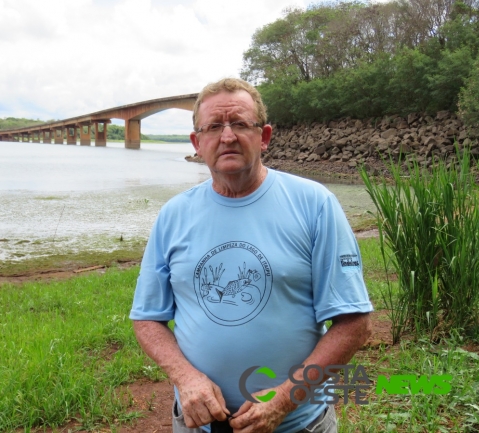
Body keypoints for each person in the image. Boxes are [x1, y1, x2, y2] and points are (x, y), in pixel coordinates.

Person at [129, 78, 373, 433]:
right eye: (214, 127)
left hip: (297, 424)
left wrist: (286, 399)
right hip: (197, 423)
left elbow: (354, 324)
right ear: (198, 143)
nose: (227, 136)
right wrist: (185, 377)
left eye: (240, 124)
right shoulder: (173, 215)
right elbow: (147, 318)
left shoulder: (315, 204)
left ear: (265, 137)